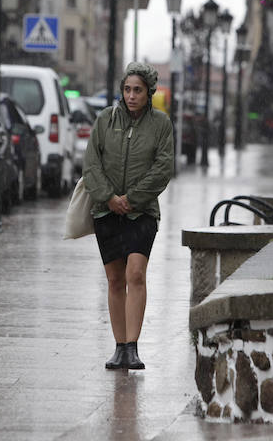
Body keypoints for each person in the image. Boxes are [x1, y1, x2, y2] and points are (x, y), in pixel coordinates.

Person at [82, 62, 174, 370]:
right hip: (106, 211)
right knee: (114, 279)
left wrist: (132, 200)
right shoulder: (105, 120)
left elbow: (163, 169)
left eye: (138, 90)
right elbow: (91, 163)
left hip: (142, 212)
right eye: (127, 89)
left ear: (149, 93)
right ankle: (119, 347)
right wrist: (108, 198)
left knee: (136, 274)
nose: (131, 95)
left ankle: (133, 347)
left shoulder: (161, 124)